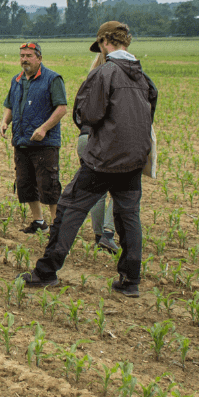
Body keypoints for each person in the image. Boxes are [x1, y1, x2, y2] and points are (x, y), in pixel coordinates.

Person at [21, 21, 157, 297]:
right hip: (135, 159)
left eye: (101, 46)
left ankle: (46, 272)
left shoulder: (104, 73)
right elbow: (150, 108)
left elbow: (88, 115)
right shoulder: (142, 76)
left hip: (104, 158)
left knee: (70, 207)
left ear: (106, 42)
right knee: (128, 216)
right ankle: (131, 281)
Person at [0, 42, 67, 234]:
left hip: (44, 143)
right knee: (25, 183)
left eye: (29, 55)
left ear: (39, 57)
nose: (24, 59)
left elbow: (61, 108)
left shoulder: (52, 79)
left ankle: (56, 226)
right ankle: (39, 222)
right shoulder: (17, 80)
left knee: (49, 184)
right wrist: (5, 121)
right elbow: (10, 105)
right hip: (21, 141)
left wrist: (44, 129)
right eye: (22, 55)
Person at [76, 48, 118, 255]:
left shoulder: (89, 81)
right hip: (107, 139)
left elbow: (79, 114)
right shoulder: (118, 81)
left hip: (85, 138)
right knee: (122, 187)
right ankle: (109, 233)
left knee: (97, 190)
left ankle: (99, 236)